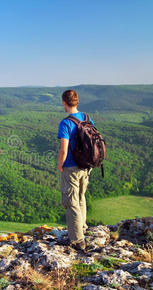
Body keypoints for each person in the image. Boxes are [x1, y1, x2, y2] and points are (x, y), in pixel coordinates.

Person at [57, 89, 94, 251]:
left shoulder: (65, 123)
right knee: (80, 197)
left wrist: (60, 164)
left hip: (71, 167)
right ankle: (82, 228)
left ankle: (77, 240)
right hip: (86, 165)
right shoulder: (86, 118)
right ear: (77, 101)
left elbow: (64, 149)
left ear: (64, 102)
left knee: (71, 202)